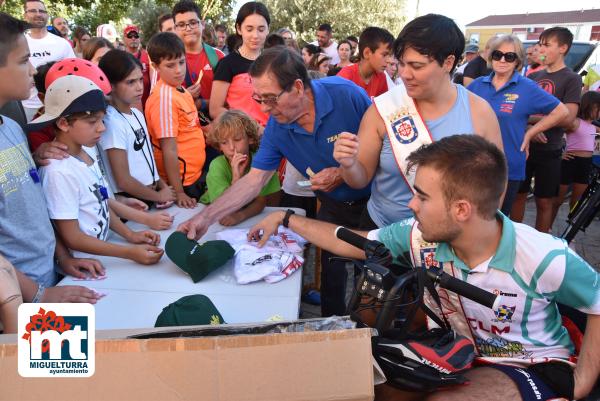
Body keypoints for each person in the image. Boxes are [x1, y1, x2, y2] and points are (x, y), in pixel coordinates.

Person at [250, 134, 600, 401]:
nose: (410, 204)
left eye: (422, 196)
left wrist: (583, 381)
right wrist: (285, 219)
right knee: (367, 383)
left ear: (462, 209)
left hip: (530, 363)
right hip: (458, 349)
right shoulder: (419, 235)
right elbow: (353, 240)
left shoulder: (543, 255)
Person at [179, 47, 372, 317]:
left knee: (375, 279)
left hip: (375, 203)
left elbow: (382, 143)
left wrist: (340, 172)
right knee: (333, 274)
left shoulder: (345, 94)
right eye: (259, 99)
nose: (264, 109)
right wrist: (205, 217)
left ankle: (374, 337)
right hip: (333, 205)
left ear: (297, 87)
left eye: (271, 99)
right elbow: (254, 181)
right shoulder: (277, 127)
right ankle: (332, 330)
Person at [333, 14, 502, 229]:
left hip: (449, 240)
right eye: (401, 64)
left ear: (448, 63)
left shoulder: (479, 112)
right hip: (383, 232)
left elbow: (495, 185)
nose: (404, 74)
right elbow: (360, 178)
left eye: (417, 66)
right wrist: (348, 164)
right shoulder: (383, 109)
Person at [0, 12, 103, 303]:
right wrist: (40, 296)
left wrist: (61, 258)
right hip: (17, 300)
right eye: (22, 61)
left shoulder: (11, 127)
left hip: (48, 276)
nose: (32, 70)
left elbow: (33, 206)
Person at [32, 75, 164, 265]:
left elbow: (101, 202)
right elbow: (72, 238)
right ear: (63, 123)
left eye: (102, 120)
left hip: (105, 251)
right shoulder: (58, 172)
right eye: (92, 122)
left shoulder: (86, 153)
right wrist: (129, 252)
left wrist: (130, 235)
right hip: (87, 263)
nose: (101, 128)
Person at [467, 34, 569, 216]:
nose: (503, 60)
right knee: (472, 219)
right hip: (474, 166)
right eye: (498, 54)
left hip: (508, 166)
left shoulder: (526, 87)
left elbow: (561, 111)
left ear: (518, 61)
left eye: (510, 56)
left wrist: (531, 132)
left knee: (497, 223)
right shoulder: (476, 86)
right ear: (491, 57)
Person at [511, 27, 581, 233]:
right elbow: (518, 112)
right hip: (525, 148)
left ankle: (540, 248)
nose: (541, 49)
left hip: (550, 150)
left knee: (544, 202)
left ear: (562, 48)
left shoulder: (572, 78)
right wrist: (531, 125)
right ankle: (515, 242)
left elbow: (569, 117)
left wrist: (536, 123)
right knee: (518, 196)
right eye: (540, 44)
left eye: (546, 45)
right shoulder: (533, 77)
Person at [98, 49, 176, 207]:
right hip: (133, 202)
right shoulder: (112, 122)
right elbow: (123, 180)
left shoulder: (136, 114)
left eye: (140, 80)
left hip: (151, 196)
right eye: (130, 82)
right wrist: (157, 196)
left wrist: (162, 187)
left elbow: (146, 157)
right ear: (111, 85)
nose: (140, 87)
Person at [145, 32, 206, 207]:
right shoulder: (164, 98)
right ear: (156, 66)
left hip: (193, 175)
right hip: (183, 183)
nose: (179, 70)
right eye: (170, 65)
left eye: (181, 62)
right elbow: (168, 150)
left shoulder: (180, 89)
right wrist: (178, 192)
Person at [200, 110, 280, 225]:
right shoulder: (217, 165)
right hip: (213, 207)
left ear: (250, 138)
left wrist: (240, 216)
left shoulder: (261, 162)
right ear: (219, 146)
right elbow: (221, 208)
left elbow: (261, 201)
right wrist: (236, 177)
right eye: (224, 142)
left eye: (237, 140)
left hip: (245, 212)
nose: (232, 148)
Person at [209, 1, 270, 126]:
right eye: (249, 29)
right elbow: (215, 110)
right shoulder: (227, 64)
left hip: (272, 136)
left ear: (268, 29)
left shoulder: (273, 63)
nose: (255, 35)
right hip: (240, 138)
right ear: (239, 28)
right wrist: (251, 127)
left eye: (261, 29)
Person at [21, 0, 75, 121]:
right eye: (33, 11)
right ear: (25, 15)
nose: (38, 14)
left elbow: (73, 74)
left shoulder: (62, 44)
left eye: (42, 11)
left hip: (60, 107)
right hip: (28, 106)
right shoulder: (19, 42)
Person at [172, 0, 225, 117]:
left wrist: (202, 104)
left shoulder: (218, 56)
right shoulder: (168, 60)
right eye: (181, 25)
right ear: (175, 29)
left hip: (215, 127)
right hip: (184, 129)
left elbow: (229, 99)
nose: (188, 28)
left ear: (203, 24)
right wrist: (184, 97)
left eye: (193, 22)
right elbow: (161, 99)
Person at [553, 91, 600, 214]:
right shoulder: (575, 123)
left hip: (585, 164)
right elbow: (554, 132)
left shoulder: (594, 127)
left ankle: (568, 230)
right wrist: (560, 153)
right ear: (589, 106)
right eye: (598, 108)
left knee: (576, 203)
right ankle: (548, 228)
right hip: (570, 162)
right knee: (557, 201)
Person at [337, 27, 393, 98]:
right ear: (367, 53)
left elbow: (382, 107)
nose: (389, 60)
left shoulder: (381, 77)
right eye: (384, 55)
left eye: (390, 55)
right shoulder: (345, 77)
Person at [122, 25, 151, 108]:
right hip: (128, 106)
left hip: (147, 103)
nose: (133, 38)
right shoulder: (119, 58)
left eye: (136, 36)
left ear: (139, 38)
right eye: (130, 36)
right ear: (124, 39)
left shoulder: (148, 56)